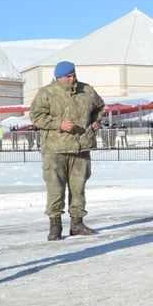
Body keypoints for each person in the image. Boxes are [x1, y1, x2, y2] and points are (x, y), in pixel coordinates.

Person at [29, 61, 105, 240]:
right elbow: (36, 116)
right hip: (56, 149)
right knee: (55, 188)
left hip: (81, 148)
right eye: (68, 76)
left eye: (74, 75)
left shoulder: (87, 90)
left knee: (78, 188)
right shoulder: (46, 93)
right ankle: (55, 225)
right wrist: (58, 124)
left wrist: (96, 121)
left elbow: (100, 107)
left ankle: (77, 223)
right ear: (59, 77)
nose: (73, 79)